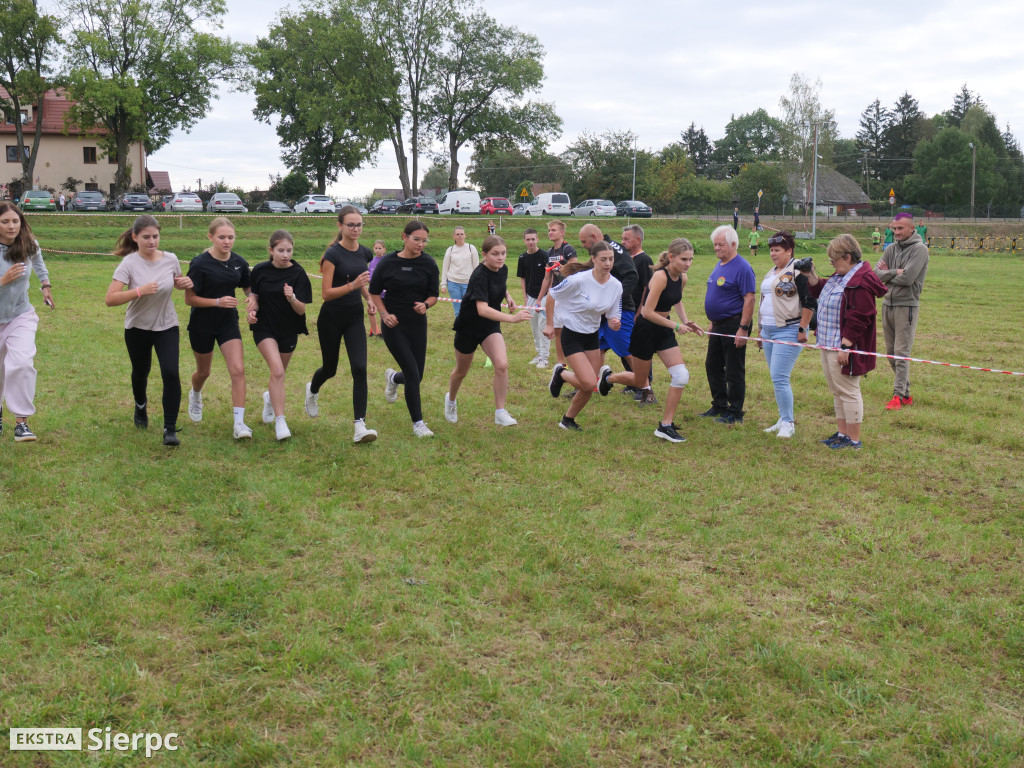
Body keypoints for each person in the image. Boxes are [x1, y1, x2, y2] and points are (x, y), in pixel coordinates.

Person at [600, 238, 703, 443]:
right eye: (684, 259)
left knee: (681, 375)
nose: (688, 264)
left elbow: (677, 300)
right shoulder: (660, 277)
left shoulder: (682, 278)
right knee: (640, 381)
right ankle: (608, 378)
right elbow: (646, 312)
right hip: (646, 330)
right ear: (671, 257)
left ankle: (665, 425)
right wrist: (675, 326)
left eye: (691, 259)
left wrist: (685, 321)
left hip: (664, 330)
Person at [104, 214, 192, 446]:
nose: (152, 241)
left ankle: (169, 429)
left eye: (155, 236)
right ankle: (140, 405)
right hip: (137, 328)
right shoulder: (129, 263)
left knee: (171, 373)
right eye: (146, 237)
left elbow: (177, 281)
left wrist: (184, 283)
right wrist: (139, 291)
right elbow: (110, 299)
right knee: (140, 372)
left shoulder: (171, 259)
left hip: (167, 325)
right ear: (135, 237)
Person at [803, 234, 886, 449]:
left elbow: (860, 317)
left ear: (847, 257)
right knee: (837, 391)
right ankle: (842, 434)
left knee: (848, 391)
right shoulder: (843, 275)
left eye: (834, 260)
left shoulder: (860, 281)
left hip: (844, 346)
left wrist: (846, 346)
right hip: (828, 342)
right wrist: (810, 275)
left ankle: (853, 439)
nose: (832, 264)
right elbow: (822, 289)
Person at [305, 205, 378, 443]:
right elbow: (326, 293)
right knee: (330, 369)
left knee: (360, 368)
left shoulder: (366, 253)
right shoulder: (332, 255)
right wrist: (354, 286)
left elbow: (361, 282)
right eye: (351, 225)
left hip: (354, 317)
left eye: (359, 225)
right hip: (331, 318)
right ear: (340, 226)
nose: (356, 229)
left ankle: (360, 425)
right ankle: (312, 390)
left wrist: (367, 298)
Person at [445, 235, 531, 427]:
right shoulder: (479, 275)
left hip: (489, 326)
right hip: (468, 326)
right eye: (495, 254)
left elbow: (500, 284)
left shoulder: (503, 268)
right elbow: (482, 309)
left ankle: (500, 412)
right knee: (461, 371)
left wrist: (507, 296)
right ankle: (450, 399)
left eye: (503, 253)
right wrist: (512, 318)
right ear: (484, 254)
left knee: (501, 364)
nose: (500, 258)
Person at [183, 217, 255, 440]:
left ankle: (239, 424)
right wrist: (216, 302)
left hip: (227, 322)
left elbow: (247, 287)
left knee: (238, 370)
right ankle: (195, 395)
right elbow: (189, 299)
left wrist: (252, 298)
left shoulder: (239, 262)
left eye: (230, 237)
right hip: (202, 323)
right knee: (204, 372)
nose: (227, 241)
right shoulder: (199, 263)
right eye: (222, 237)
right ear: (211, 237)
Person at [369, 220, 440, 438]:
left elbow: (433, 295)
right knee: (411, 371)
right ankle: (418, 423)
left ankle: (392, 379)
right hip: (393, 324)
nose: (420, 244)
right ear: (404, 238)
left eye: (424, 240)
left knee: (416, 376)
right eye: (416, 239)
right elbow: (373, 292)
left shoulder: (429, 263)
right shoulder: (388, 262)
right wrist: (384, 314)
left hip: (417, 324)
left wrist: (426, 305)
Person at [544, 241, 622, 432]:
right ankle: (561, 373)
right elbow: (551, 296)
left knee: (590, 385)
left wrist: (614, 322)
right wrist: (549, 324)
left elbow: (613, 314)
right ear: (593, 259)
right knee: (588, 382)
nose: (608, 263)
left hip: (592, 335)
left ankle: (568, 420)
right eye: (603, 259)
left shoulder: (616, 285)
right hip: (572, 334)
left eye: (611, 259)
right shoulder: (579, 280)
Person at [247, 230, 313, 441]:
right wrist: (251, 310)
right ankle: (280, 421)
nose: (285, 254)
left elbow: (301, 310)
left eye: (289, 250)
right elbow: (253, 296)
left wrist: (292, 298)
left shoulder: (299, 274)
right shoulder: (259, 270)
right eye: (281, 250)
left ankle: (269, 398)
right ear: (271, 250)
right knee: (277, 371)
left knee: (279, 374)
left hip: (288, 329)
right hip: (265, 328)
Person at [0, 202, 54, 442]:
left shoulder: (28, 244)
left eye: (15, 221)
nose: (11, 226)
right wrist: (2, 280)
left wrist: (46, 286)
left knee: (21, 363)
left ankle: (21, 422)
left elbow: (39, 262)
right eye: (5, 221)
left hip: (20, 315)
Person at [755, 231, 816, 439]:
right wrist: (760, 328)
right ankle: (782, 418)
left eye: (778, 250)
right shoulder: (772, 271)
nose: (773, 254)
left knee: (780, 377)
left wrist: (802, 328)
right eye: (771, 250)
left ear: (789, 251)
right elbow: (764, 300)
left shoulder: (798, 270)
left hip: (789, 329)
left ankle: (789, 423)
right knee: (775, 378)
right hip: (769, 330)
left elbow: (810, 301)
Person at [701, 225, 756, 424]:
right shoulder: (720, 264)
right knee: (712, 365)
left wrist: (743, 328)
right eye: (715, 244)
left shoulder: (742, 267)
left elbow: (749, 299)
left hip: (734, 324)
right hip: (718, 325)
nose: (716, 248)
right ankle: (719, 405)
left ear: (733, 244)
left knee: (733, 369)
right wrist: (712, 322)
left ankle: (735, 411)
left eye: (720, 244)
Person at [875, 212, 929, 410]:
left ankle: (898, 396)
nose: (896, 232)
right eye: (894, 228)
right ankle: (906, 394)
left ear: (912, 229)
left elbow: (908, 279)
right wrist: (894, 272)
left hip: (906, 306)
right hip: (887, 304)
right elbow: (875, 275)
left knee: (901, 353)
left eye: (900, 229)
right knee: (890, 353)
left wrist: (887, 274)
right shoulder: (891, 248)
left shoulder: (920, 249)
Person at [578, 223, 638, 400]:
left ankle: (645, 387)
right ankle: (589, 384)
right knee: (595, 349)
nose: (583, 246)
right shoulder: (599, 253)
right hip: (600, 311)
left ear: (595, 237)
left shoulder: (614, 251)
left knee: (627, 351)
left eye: (584, 242)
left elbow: (631, 276)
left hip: (620, 310)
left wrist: (613, 301)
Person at [621, 223, 656, 403]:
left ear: (638, 239)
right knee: (625, 348)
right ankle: (632, 381)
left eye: (627, 239)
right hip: (624, 310)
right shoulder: (625, 258)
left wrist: (639, 311)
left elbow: (646, 288)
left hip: (636, 311)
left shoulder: (644, 260)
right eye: (622, 239)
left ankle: (644, 383)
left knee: (639, 350)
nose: (623, 242)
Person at [536, 220, 578, 367]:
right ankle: (561, 363)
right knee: (558, 330)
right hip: (556, 295)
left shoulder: (568, 249)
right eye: (549, 230)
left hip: (570, 295)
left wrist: (564, 268)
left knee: (572, 331)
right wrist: (539, 299)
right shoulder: (549, 252)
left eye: (553, 230)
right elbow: (547, 278)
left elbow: (576, 271)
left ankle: (577, 361)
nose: (550, 233)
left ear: (562, 233)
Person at [516, 227, 550, 368]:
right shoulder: (522, 258)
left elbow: (548, 278)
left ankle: (545, 357)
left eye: (533, 239)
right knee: (534, 326)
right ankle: (538, 353)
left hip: (544, 297)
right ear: (524, 241)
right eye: (528, 239)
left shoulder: (544, 255)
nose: (531, 242)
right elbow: (523, 278)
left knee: (543, 326)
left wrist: (539, 299)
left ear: (538, 239)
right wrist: (525, 297)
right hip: (530, 297)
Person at [439, 226, 478, 317]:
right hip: (453, 284)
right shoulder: (450, 250)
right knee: (458, 311)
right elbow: (445, 268)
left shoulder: (471, 248)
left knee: (468, 308)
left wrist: (477, 283)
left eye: (461, 234)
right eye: (457, 234)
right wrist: (443, 284)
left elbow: (476, 268)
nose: (459, 236)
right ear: (454, 236)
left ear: (465, 236)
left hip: (468, 284)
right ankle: (460, 329)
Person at [366, 239, 386, 338]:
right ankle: (374, 332)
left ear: (384, 249)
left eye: (380, 248)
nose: (378, 250)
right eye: (376, 248)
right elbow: (369, 273)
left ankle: (382, 332)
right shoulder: (372, 261)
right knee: (370, 310)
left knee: (382, 312)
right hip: (372, 291)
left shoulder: (386, 260)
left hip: (383, 292)